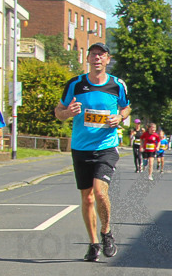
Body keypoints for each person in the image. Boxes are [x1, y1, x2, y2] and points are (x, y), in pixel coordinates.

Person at [54, 42, 131, 262]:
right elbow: (58, 111)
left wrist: (120, 117)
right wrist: (68, 112)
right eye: (93, 54)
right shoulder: (75, 84)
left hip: (106, 146)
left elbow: (126, 107)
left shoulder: (117, 85)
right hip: (80, 148)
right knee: (87, 199)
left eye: (102, 54)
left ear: (108, 59)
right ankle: (93, 243)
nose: (97, 58)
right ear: (87, 58)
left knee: (99, 192)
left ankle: (106, 233)